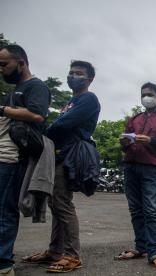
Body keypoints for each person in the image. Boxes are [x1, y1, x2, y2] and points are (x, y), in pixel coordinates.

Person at [22, 60, 100, 273]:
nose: (73, 76)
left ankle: (72, 255)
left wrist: (43, 133)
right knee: (56, 204)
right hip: (57, 155)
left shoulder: (88, 99)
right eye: (71, 72)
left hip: (69, 156)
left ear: (89, 79)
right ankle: (56, 250)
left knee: (62, 204)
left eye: (78, 73)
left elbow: (64, 124)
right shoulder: (71, 101)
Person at [115, 82, 156, 271]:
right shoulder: (134, 118)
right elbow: (125, 143)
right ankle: (140, 247)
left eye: (150, 94)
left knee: (151, 210)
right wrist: (125, 142)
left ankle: (154, 252)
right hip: (130, 166)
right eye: (143, 94)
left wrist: (152, 140)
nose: (146, 98)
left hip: (152, 168)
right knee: (135, 209)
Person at [0, 44, 51, 275]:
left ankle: (3, 263)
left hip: (12, 158)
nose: (2, 70)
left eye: (4, 64)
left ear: (21, 63)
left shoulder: (36, 86)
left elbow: (38, 115)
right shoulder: (15, 90)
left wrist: (3, 109)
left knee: (5, 211)